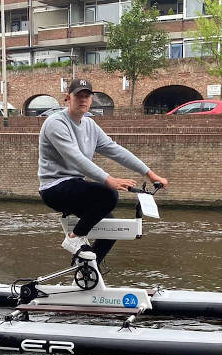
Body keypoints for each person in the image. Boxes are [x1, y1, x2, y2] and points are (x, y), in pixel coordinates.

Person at [38, 78, 168, 264]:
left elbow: (115, 150)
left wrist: (150, 173)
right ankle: (74, 238)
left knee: (110, 230)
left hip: (75, 186)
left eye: (87, 96)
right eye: (78, 96)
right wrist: (109, 180)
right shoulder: (55, 123)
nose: (83, 100)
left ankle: (87, 273)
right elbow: (76, 159)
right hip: (54, 188)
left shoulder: (90, 125)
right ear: (68, 98)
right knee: (108, 194)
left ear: (91, 100)